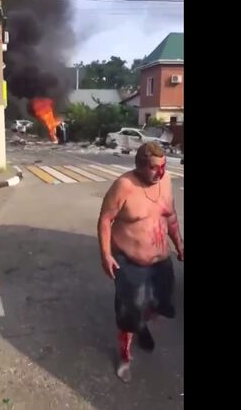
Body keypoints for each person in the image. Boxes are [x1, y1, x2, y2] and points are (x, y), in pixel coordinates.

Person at [97, 141, 184, 382]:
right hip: (130, 263)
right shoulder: (124, 186)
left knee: (160, 302)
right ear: (139, 165)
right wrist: (105, 254)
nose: (160, 173)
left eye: (163, 166)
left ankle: (141, 324)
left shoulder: (165, 181)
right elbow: (105, 219)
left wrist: (179, 244)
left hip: (161, 260)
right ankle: (125, 356)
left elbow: (171, 216)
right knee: (129, 313)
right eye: (154, 168)